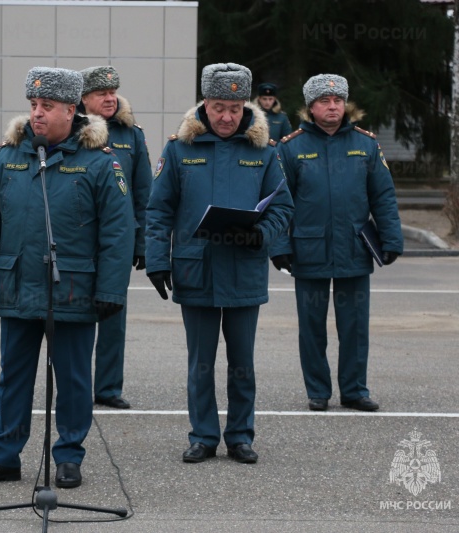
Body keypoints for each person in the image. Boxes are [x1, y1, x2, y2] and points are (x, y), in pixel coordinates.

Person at [0, 67, 134, 488]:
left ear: (71, 110)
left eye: (47, 107)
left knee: (73, 380)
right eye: (33, 105)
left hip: (73, 290)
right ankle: (4, 456)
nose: (37, 114)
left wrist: (111, 290)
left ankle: (69, 457)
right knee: (12, 377)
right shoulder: (9, 156)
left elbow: (118, 231)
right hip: (19, 285)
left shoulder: (99, 162)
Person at [145, 63, 293, 465]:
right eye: (217, 107)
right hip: (197, 270)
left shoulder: (264, 151)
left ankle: (240, 435)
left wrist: (260, 234)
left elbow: (282, 208)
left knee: (243, 362)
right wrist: (157, 261)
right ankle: (204, 436)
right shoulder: (179, 149)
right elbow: (159, 210)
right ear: (204, 105)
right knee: (201, 363)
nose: (226, 117)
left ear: (244, 105)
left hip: (244, 269)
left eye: (233, 107)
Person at [269, 74, 403, 412]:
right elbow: (278, 201)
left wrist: (391, 238)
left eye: (338, 101)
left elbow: (383, 196)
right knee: (311, 326)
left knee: (355, 326)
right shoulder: (291, 147)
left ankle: (355, 390)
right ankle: (318, 391)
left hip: (355, 248)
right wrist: (279, 245)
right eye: (325, 102)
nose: (333, 107)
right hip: (308, 249)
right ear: (311, 107)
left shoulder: (366, 145)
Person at [78, 65, 152, 410]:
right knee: (74, 315)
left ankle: (108, 387)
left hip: (118, 240)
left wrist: (142, 244)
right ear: (83, 99)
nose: (110, 99)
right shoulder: (71, 129)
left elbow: (143, 193)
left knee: (113, 315)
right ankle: (75, 383)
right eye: (101, 94)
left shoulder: (130, 134)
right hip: (76, 238)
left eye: (113, 92)